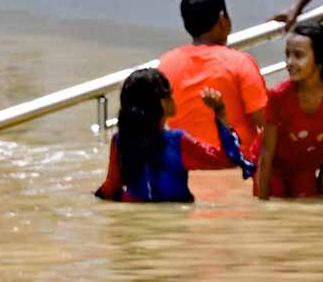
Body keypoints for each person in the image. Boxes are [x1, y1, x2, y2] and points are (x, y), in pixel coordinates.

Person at [94, 69, 252, 203]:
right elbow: (229, 160)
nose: (173, 99)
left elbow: (111, 187)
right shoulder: (177, 141)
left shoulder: (120, 140)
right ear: (162, 102)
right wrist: (220, 112)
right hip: (173, 219)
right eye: (170, 94)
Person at [157, 0, 268, 161]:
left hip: (186, 168)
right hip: (237, 167)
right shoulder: (240, 62)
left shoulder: (165, 65)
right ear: (223, 19)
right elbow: (267, 122)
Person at [253, 23, 323, 199]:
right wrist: (263, 203)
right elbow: (266, 153)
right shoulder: (278, 96)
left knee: (307, 203)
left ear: (321, 59)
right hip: (273, 166)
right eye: (287, 55)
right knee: (275, 202)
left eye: (298, 56)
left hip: (305, 168)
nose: (289, 63)